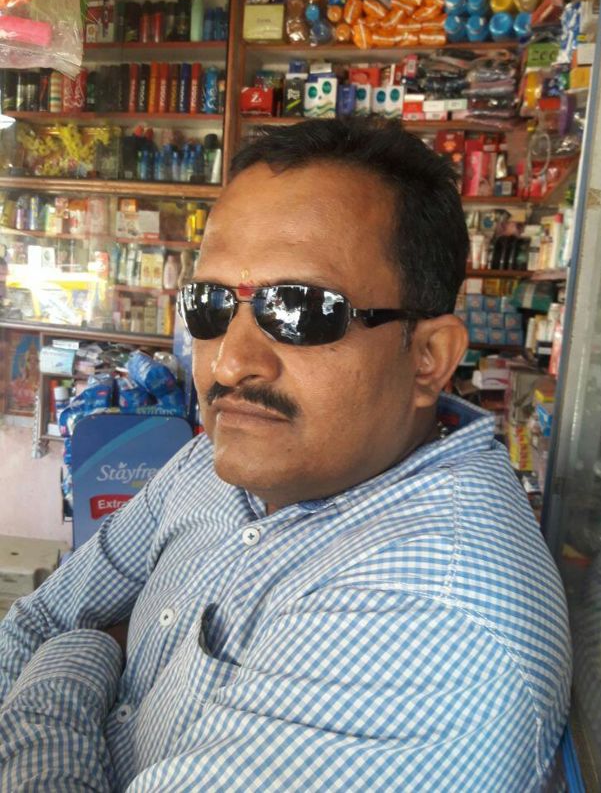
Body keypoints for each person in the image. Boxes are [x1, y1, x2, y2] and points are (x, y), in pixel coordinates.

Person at [0, 118, 571, 791]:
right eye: (209, 305)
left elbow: (53, 636)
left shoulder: (431, 618)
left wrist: (74, 659)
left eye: (301, 310)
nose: (229, 363)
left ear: (428, 357)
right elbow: (35, 619)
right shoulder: (225, 457)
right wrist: (90, 643)